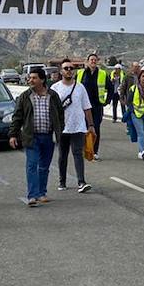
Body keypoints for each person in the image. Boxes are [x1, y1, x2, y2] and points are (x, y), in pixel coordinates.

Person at [9, 66, 63, 205]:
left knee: (44, 166)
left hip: (48, 136)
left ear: (42, 79)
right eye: (29, 78)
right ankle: (32, 195)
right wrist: (13, 134)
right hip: (31, 136)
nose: (30, 80)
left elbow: (60, 114)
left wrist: (59, 130)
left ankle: (41, 193)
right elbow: (17, 116)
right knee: (32, 165)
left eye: (34, 78)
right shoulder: (25, 96)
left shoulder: (53, 95)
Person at [51, 60, 95, 193]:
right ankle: (62, 181)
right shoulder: (55, 88)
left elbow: (87, 108)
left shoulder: (80, 87)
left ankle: (81, 182)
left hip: (78, 127)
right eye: (66, 68)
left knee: (77, 153)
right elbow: (50, 109)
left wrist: (91, 125)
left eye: (71, 68)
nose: (69, 70)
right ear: (61, 71)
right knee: (62, 155)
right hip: (62, 128)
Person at [74, 53, 109, 159]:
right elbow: (73, 87)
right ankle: (85, 149)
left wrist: (107, 101)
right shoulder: (80, 73)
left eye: (95, 60)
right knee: (83, 128)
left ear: (97, 61)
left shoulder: (103, 74)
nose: (93, 61)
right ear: (87, 61)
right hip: (83, 106)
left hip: (97, 106)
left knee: (96, 128)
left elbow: (111, 88)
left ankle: (94, 151)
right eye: (91, 60)